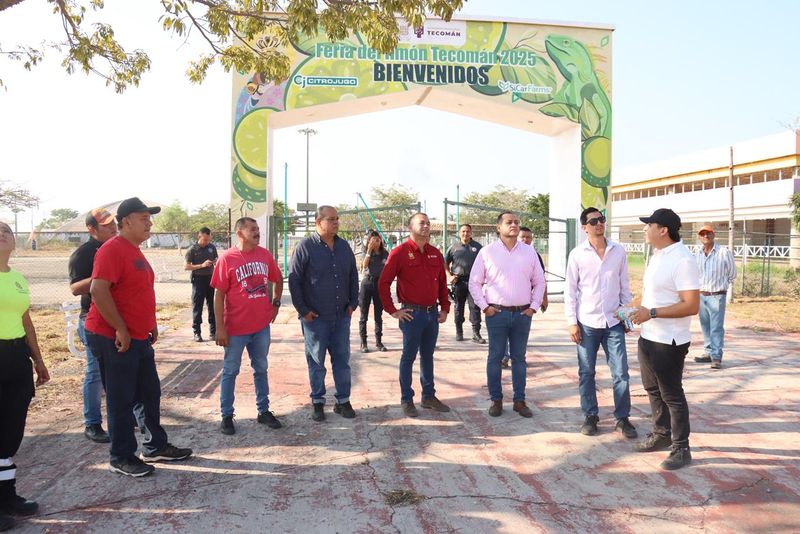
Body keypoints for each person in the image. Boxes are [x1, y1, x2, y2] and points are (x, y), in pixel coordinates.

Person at [85, 197, 192, 477]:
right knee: (120, 398)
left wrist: (151, 323)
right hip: (113, 337)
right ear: (127, 222)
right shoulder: (112, 249)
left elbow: (137, 292)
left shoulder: (134, 250)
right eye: (144, 218)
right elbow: (98, 290)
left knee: (148, 393)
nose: (150, 223)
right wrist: (120, 327)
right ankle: (121, 456)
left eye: (149, 218)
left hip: (138, 336)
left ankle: (155, 446)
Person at [630, 208, 700, 471]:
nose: (644, 229)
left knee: (672, 394)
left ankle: (681, 448)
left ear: (663, 230)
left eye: (649, 225)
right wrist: (635, 311)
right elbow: (653, 297)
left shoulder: (683, 260)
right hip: (649, 335)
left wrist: (653, 313)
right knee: (652, 389)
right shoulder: (658, 256)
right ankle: (661, 434)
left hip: (669, 341)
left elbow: (691, 305)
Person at [565, 208, 637, 438]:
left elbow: (624, 287)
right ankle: (590, 416)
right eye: (593, 221)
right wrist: (571, 322)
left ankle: (623, 418)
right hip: (586, 322)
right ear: (584, 227)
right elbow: (570, 291)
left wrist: (627, 317)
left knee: (621, 373)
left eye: (602, 220)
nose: (599, 224)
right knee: (586, 372)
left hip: (613, 321)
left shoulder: (618, 251)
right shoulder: (577, 254)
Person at [469, 211, 545, 418]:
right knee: (495, 357)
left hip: (522, 314)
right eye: (509, 222)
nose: (514, 225)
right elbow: (474, 282)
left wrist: (533, 307)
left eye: (516, 222)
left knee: (519, 358)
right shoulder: (487, 252)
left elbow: (539, 281)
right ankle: (496, 400)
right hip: (497, 314)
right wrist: (485, 307)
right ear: (498, 227)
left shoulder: (529, 252)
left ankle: (519, 401)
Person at [212, 217, 283, 435]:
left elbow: (277, 279)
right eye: (252, 229)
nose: (257, 232)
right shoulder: (227, 258)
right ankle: (226, 415)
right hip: (235, 329)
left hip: (260, 327)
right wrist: (220, 327)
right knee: (230, 371)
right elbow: (218, 295)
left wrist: (276, 304)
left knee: (260, 368)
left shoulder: (264, 255)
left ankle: (263, 411)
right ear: (240, 233)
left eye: (258, 229)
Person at [0, 221, 50, 530]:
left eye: (6, 230)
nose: (3, 233)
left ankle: (7, 497)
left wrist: (38, 359)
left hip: (17, 357)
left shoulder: (17, 278)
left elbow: (26, 321)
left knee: (10, 432)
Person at [289, 206, 359, 422]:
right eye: (331, 219)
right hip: (315, 319)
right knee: (316, 362)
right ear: (318, 222)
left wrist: (353, 303)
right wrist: (303, 311)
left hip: (341, 317)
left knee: (342, 360)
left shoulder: (344, 247)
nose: (336, 222)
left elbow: (353, 276)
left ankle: (343, 401)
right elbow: (294, 280)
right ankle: (318, 402)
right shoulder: (305, 247)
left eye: (337, 219)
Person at [379, 213, 452, 418]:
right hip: (411, 315)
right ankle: (406, 399)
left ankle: (428, 396)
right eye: (422, 223)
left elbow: (441, 284)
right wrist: (393, 310)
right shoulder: (399, 252)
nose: (426, 226)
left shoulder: (435, 254)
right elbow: (383, 283)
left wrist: (445, 308)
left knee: (428, 356)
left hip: (432, 314)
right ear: (410, 227)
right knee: (408, 357)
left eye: (428, 223)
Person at [68, 208, 118, 443]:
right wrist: (101, 275)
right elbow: (76, 288)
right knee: (95, 372)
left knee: (119, 370)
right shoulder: (85, 252)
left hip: (115, 318)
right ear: (91, 229)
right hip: (92, 319)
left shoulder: (117, 247)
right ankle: (92, 423)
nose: (112, 227)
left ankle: (122, 417)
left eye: (113, 223)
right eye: (106, 225)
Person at [501, 226, 547, 368]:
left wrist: (543, 298)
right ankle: (504, 356)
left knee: (520, 334)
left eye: (528, 237)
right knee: (504, 333)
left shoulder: (534, 255)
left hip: (525, 304)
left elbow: (541, 279)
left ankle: (519, 357)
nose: (526, 240)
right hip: (504, 302)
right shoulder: (505, 253)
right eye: (523, 237)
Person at [693, 225, 736, 369]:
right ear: (699, 237)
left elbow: (732, 274)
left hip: (717, 296)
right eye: (702, 233)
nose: (705, 236)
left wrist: (722, 290)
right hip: (701, 295)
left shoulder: (724, 252)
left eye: (708, 233)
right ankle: (708, 352)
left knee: (716, 328)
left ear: (713, 235)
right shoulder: (697, 253)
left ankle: (716, 357)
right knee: (705, 326)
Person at [445, 223, 485, 344]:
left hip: (474, 282)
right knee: (458, 307)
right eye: (463, 231)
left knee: (475, 307)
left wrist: (482, 279)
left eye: (467, 231)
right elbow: (445, 263)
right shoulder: (453, 247)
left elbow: (485, 264)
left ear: (471, 233)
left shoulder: (478, 247)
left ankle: (476, 334)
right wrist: (449, 276)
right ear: (459, 233)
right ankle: (459, 332)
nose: (465, 233)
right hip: (459, 282)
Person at [185, 227, 218, 342]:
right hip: (198, 280)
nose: (206, 242)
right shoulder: (192, 250)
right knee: (197, 307)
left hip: (210, 280)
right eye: (204, 240)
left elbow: (216, 259)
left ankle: (213, 332)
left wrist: (215, 262)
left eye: (208, 240)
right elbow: (186, 266)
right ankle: (197, 333)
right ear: (199, 236)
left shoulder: (212, 248)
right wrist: (201, 265)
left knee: (212, 307)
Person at [358, 230, 389, 353]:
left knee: (378, 315)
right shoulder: (365, 251)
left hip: (379, 284)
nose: (376, 242)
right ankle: (363, 342)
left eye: (378, 240)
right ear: (369, 241)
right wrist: (369, 251)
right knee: (363, 315)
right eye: (373, 240)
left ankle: (378, 341)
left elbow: (388, 267)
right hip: (367, 283)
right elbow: (364, 266)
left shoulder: (384, 253)